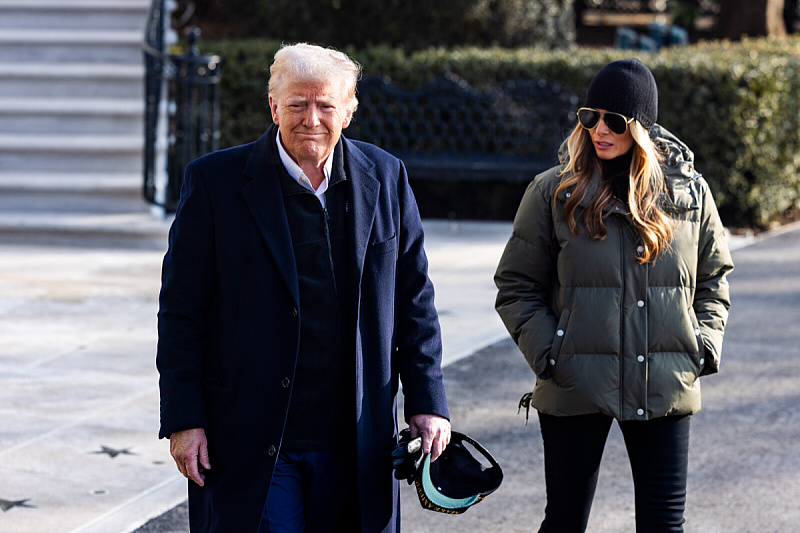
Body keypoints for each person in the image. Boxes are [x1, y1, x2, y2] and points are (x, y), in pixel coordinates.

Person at [156, 43, 451, 533]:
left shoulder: (386, 176)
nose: (310, 119)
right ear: (274, 107)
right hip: (253, 437)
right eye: (296, 104)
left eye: (325, 105)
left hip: (358, 437)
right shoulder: (214, 183)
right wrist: (184, 418)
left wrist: (428, 401)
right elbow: (182, 310)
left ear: (349, 111)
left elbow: (414, 299)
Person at [494, 58, 734, 532]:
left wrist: (701, 345)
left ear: (641, 127)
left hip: (663, 379)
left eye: (614, 120)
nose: (599, 129)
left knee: (664, 525)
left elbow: (714, 278)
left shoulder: (687, 193)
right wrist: (551, 352)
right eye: (590, 116)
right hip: (575, 380)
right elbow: (516, 283)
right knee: (564, 521)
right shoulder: (553, 192)